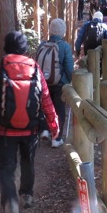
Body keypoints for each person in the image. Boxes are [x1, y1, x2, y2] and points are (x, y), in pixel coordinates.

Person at [0, 31, 59, 213]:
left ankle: (10, 202)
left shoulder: (0, 71)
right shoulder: (35, 69)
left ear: (6, 47)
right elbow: (46, 100)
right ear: (24, 49)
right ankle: (27, 194)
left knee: (6, 168)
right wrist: (54, 124)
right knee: (28, 161)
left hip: (5, 131)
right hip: (31, 129)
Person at [38, 18, 73, 148]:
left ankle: (45, 130)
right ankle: (56, 138)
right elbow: (69, 68)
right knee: (59, 110)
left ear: (51, 31)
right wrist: (70, 81)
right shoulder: (64, 46)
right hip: (59, 84)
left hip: (43, 84)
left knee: (46, 108)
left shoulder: (42, 45)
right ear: (63, 31)